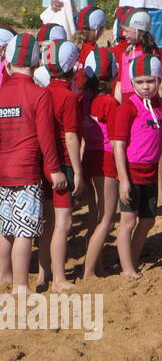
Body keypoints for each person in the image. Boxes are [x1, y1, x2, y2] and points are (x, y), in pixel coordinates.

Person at [0, 34, 65, 294]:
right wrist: (55, 170)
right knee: (24, 231)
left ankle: (4, 276)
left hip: (3, 170)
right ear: (37, 63)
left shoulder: (2, 92)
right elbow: (46, 138)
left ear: (8, 61)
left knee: (5, 228)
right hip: (26, 171)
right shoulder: (40, 94)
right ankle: (20, 285)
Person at [110, 56, 162, 280]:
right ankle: (127, 268)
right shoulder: (127, 108)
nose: (145, 86)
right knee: (128, 221)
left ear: (159, 80)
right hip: (131, 171)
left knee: (147, 220)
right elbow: (118, 146)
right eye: (140, 82)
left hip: (151, 172)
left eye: (150, 81)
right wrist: (123, 180)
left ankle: (132, 258)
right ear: (132, 83)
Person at [36, 42, 81, 292]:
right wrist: (79, 171)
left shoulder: (42, 91)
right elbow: (71, 137)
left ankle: (43, 274)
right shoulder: (68, 96)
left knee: (47, 222)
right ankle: (59, 279)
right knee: (63, 222)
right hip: (63, 162)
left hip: (43, 161)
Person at [79, 48, 120, 279]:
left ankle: (97, 264)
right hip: (106, 160)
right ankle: (89, 271)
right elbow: (115, 141)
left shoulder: (85, 98)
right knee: (107, 220)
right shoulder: (110, 102)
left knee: (94, 217)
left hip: (88, 157)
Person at [113, 8, 162, 103]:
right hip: (127, 104)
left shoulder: (156, 53)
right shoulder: (125, 53)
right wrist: (117, 106)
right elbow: (119, 84)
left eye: (126, 30)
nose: (123, 34)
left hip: (150, 103)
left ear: (139, 30)